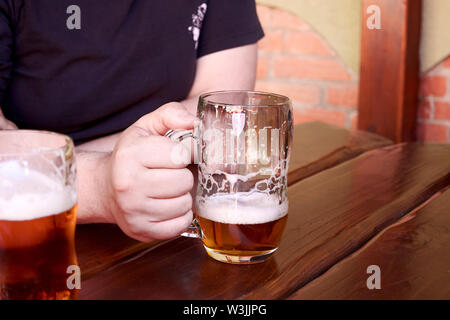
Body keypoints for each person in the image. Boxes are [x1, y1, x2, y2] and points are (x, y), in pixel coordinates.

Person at [0, 0, 263, 242]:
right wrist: (98, 183)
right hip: (33, 239)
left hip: (177, 225)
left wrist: (38, 162)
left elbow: (224, 116)